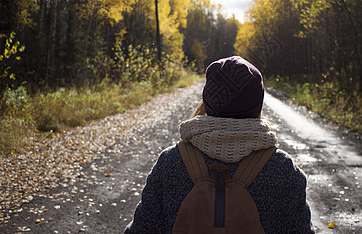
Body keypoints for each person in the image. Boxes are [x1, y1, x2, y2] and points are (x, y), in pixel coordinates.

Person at [125, 56, 315, 233]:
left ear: (207, 100)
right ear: (257, 103)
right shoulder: (283, 169)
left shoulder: (170, 162)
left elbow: (142, 229)